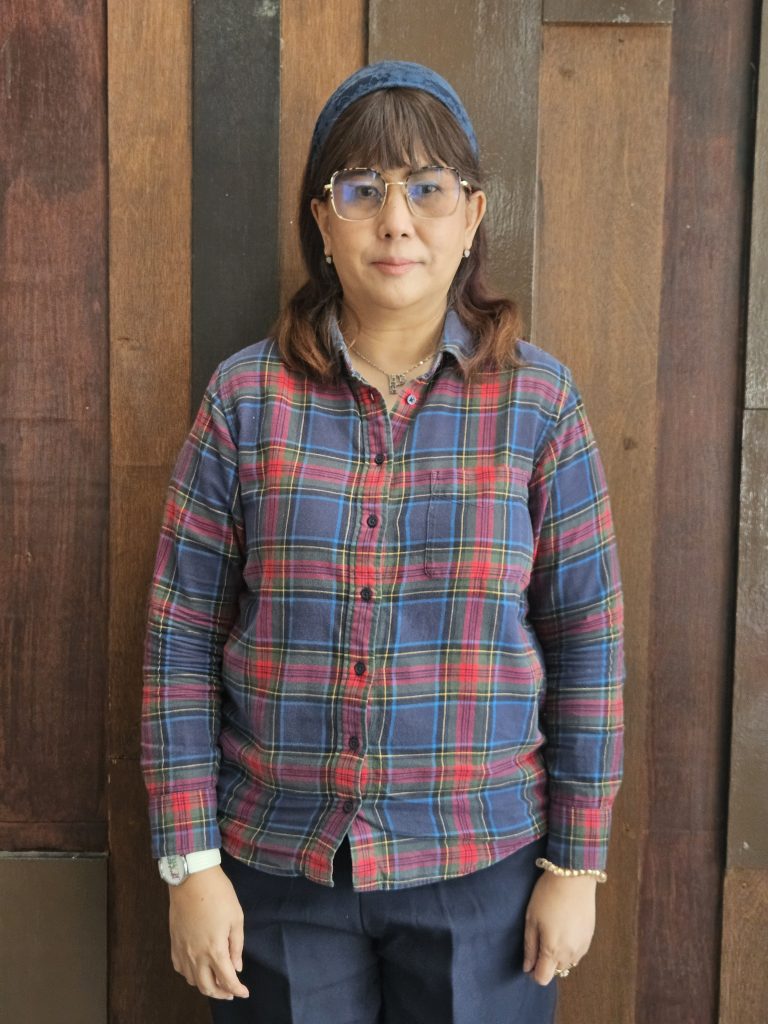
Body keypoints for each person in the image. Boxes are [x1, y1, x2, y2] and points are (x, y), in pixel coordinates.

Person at [140, 60, 625, 1024]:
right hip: (276, 870)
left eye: (427, 189)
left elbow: (588, 640)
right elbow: (178, 640)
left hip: (484, 871)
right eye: (362, 190)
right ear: (323, 223)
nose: (397, 222)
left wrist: (576, 864)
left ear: (471, 215)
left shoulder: (538, 405)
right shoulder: (245, 401)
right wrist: (190, 864)